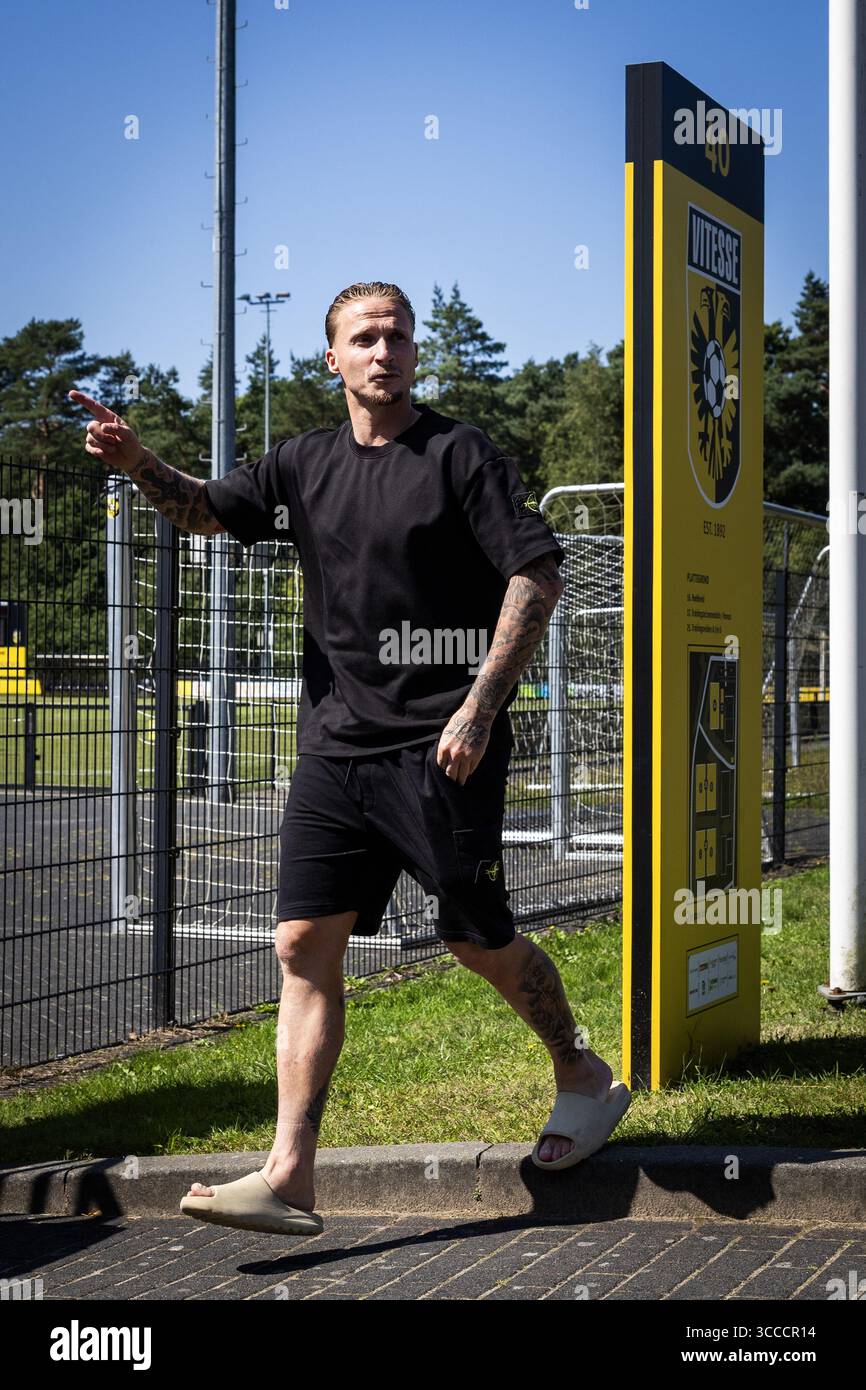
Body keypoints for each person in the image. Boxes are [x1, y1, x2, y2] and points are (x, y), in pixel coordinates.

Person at [69, 281, 629, 1237]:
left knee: (476, 940)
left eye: (399, 336)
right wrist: (134, 460)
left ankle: (582, 1073)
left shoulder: (459, 455)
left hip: (442, 745)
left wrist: (479, 710)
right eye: (365, 338)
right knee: (300, 944)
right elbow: (207, 512)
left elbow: (536, 574)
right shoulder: (302, 464)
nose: (386, 350)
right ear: (331, 359)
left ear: (414, 353)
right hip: (334, 746)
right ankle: (290, 1176)